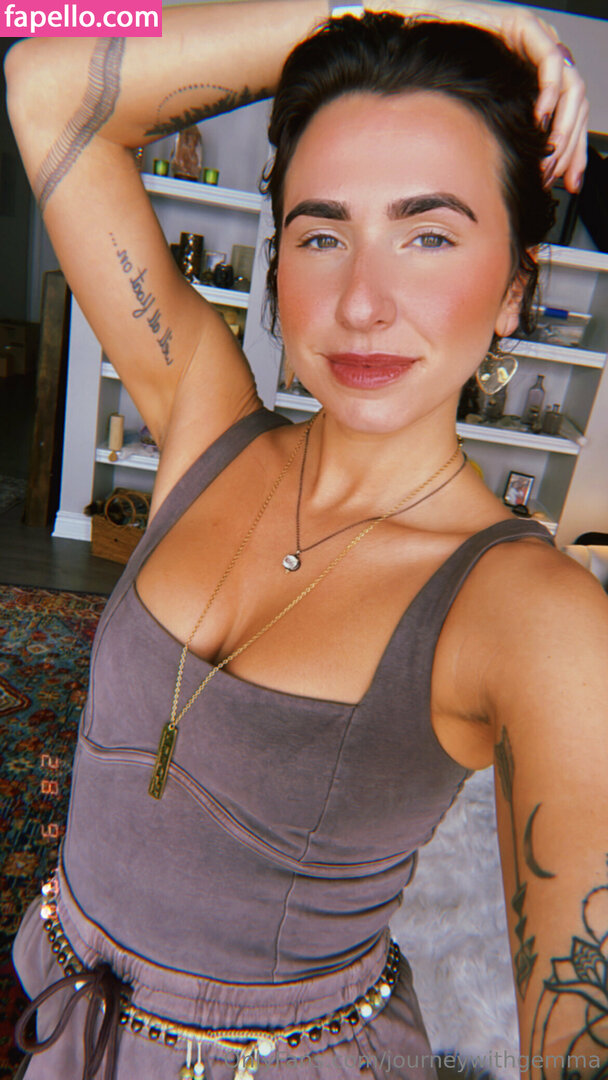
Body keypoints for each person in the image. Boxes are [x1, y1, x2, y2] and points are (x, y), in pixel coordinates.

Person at [5, 3, 607, 1079]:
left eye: (429, 234)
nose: (362, 303)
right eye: (321, 233)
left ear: (514, 287)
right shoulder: (207, 423)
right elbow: (39, 68)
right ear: (277, 259)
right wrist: (382, 7)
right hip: (61, 1007)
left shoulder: (534, 613)